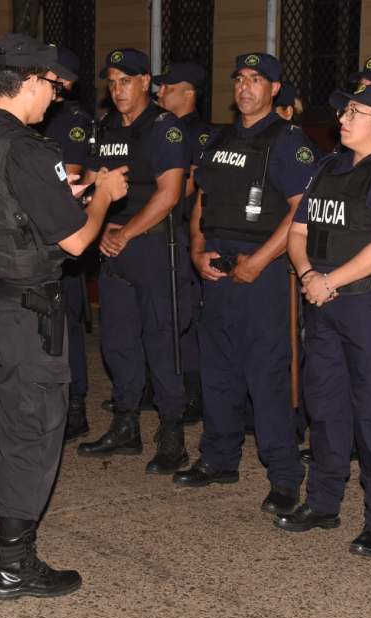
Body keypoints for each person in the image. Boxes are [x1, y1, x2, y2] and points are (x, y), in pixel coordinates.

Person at [0, 33, 128, 599]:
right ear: (28, 82)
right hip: (25, 317)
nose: (56, 97)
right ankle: (14, 565)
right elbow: (76, 242)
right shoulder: (27, 149)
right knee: (33, 433)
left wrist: (69, 193)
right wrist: (103, 194)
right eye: (52, 86)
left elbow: (6, 207)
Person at [278, 84, 371, 554]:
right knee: (324, 407)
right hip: (323, 302)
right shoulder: (328, 167)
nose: (342, 118)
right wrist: (309, 274)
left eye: (355, 112)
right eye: (344, 110)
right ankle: (323, 502)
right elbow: (298, 231)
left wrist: (329, 281)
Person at [171, 52, 321, 514]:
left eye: (256, 79)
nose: (245, 86)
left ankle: (284, 475)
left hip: (264, 274)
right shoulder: (218, 139)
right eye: (239, 78)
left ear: (274, 89)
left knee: (267, 374)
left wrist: (258, 261)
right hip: (217, 268)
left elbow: (301, 212)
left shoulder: (290, 142)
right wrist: (197, 251)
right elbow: (202, 201)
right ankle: (219, 458)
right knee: (218, 369)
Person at [76, 48, 193, 475]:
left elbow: (170, 195)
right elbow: (90, 186)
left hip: (154, 249)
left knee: (161, 341)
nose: (117, 89)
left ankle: (173, 435)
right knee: (117, 341)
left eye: (126, 80)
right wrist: (96, 223)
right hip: (113, 250)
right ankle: (126, 426)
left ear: (146, 82)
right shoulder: (106, 128)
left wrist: (123, 233)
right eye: (111, 82)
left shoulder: (165, 128)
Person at [36, 47, 94, 442]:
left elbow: (68, 180)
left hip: (61, 231)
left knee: (66, 325)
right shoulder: (32, 115)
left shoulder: (72, 120)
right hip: (34, 236)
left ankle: (76, 405)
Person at [152, 61, 213, 427]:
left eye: (168, 88)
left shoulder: (199, 133)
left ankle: (196, 388)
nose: (160, 92)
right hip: (162, 231)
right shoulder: (160, 127)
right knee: (165, 312)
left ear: (188, 94)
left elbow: (187, 186)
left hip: (184, 230)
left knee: (188, 312)